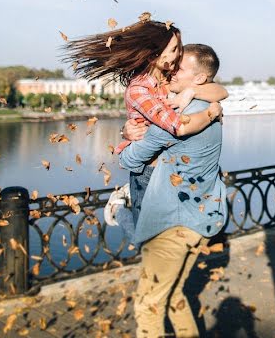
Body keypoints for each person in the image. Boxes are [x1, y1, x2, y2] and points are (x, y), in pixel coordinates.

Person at [63, 16, 226, 225]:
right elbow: (178, 126)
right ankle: (119, 211)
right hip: (147, 172)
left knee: (166, 237)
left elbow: (221, 90)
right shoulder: (140, 89)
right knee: (146, 236)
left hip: (169, 170)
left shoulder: (166, 79)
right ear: (155, 52)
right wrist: (211, 113)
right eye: (176, 48)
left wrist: (192, 90)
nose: (179, 54)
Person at [119, 44, 228, 338]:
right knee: (175, 296)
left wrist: (128, 135)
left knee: (148, 304)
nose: (171, 69)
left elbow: (127, 159)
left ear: (200, 79)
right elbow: (221, 91)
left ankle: (119, 213)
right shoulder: (211, 107)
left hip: (171, 223)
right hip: (202, 217)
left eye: (179, 67)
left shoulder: (171, 119)